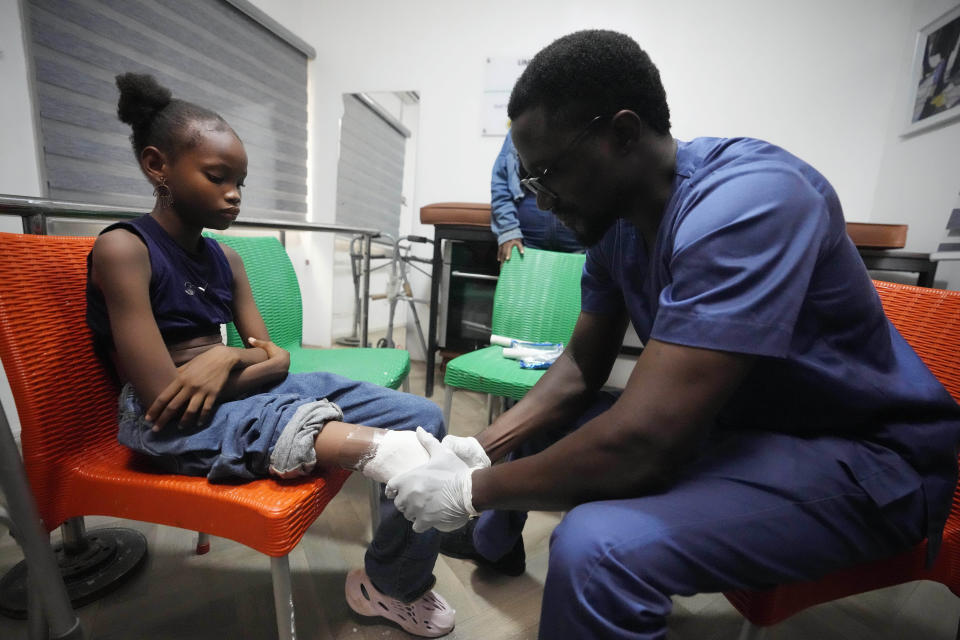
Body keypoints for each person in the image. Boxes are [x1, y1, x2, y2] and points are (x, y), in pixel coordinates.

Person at [387, 30, 960, 639]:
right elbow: (580, 368)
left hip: (864, 460)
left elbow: (643, 444)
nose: (542, 201)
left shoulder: (751, 200)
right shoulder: (615, 228)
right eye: (529, 184)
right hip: (743, 426)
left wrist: (470, 488)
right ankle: (494, 545)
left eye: (548, 174)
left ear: (623, 133)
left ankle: (489, 520)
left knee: (597, 549)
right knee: (543, 426)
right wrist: (483, 447)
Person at [87, 73, 454, 638]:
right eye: (217, 177)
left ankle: (387, 582)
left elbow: (276, 359)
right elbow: (163, 396)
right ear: (157, 165)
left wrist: (224, 360)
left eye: (240, 181)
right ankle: (391, 459)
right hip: (167, 422)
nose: (234, 193)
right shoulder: (123, 249)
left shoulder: (226, 260)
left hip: (246, 394)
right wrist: (241, 359)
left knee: (424, 417)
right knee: (371, 441)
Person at [490, 132, 584, 263]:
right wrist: (508, 232)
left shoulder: (586, 126)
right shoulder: (520, 126)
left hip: (581, 244)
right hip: (525, 244)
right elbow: (501, 183)